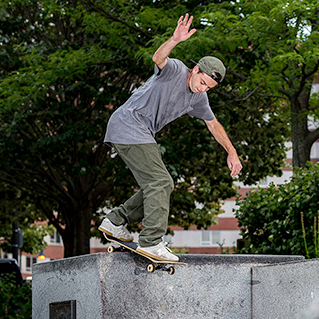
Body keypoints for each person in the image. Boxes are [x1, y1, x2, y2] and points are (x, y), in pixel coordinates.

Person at [100, 13, 242, 262]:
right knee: (160, 182)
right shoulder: (176, 70)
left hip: (136, 131)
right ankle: (151, 242)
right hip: (129, 124)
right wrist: (175, 40)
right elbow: (158, 57)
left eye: (208, 87)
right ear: (195, 70)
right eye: (202, 82)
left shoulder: (198, 98)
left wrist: (231, 151)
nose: (202, 88)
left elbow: (213, 124)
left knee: (162, 184)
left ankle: (115, 221)